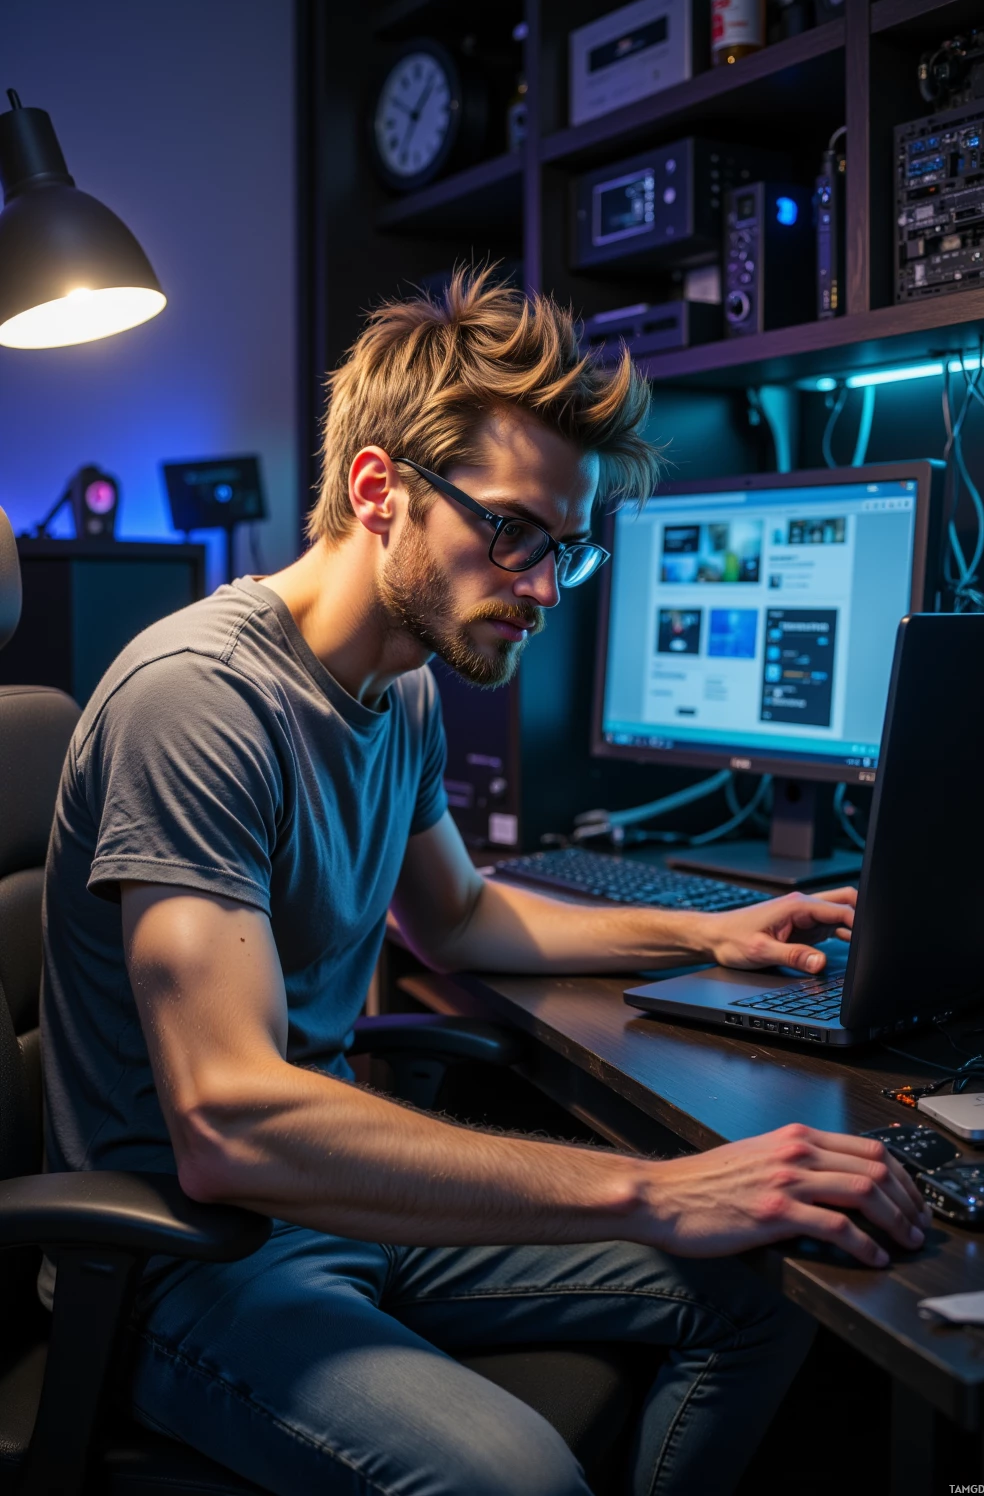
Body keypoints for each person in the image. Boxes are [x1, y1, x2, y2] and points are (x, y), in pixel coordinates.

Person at [41, 269, 929, 1496]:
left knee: (776, 1288)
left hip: (337, 1203)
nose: (545, 588)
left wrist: (704, 932)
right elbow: (230, 1123)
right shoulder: (197, 699)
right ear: (377, 491)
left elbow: (454, 917)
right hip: (188, 1259)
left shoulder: (396, 682)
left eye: (564, 549)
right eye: (510, 531)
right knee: (518, 1478)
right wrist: (653, 1188)